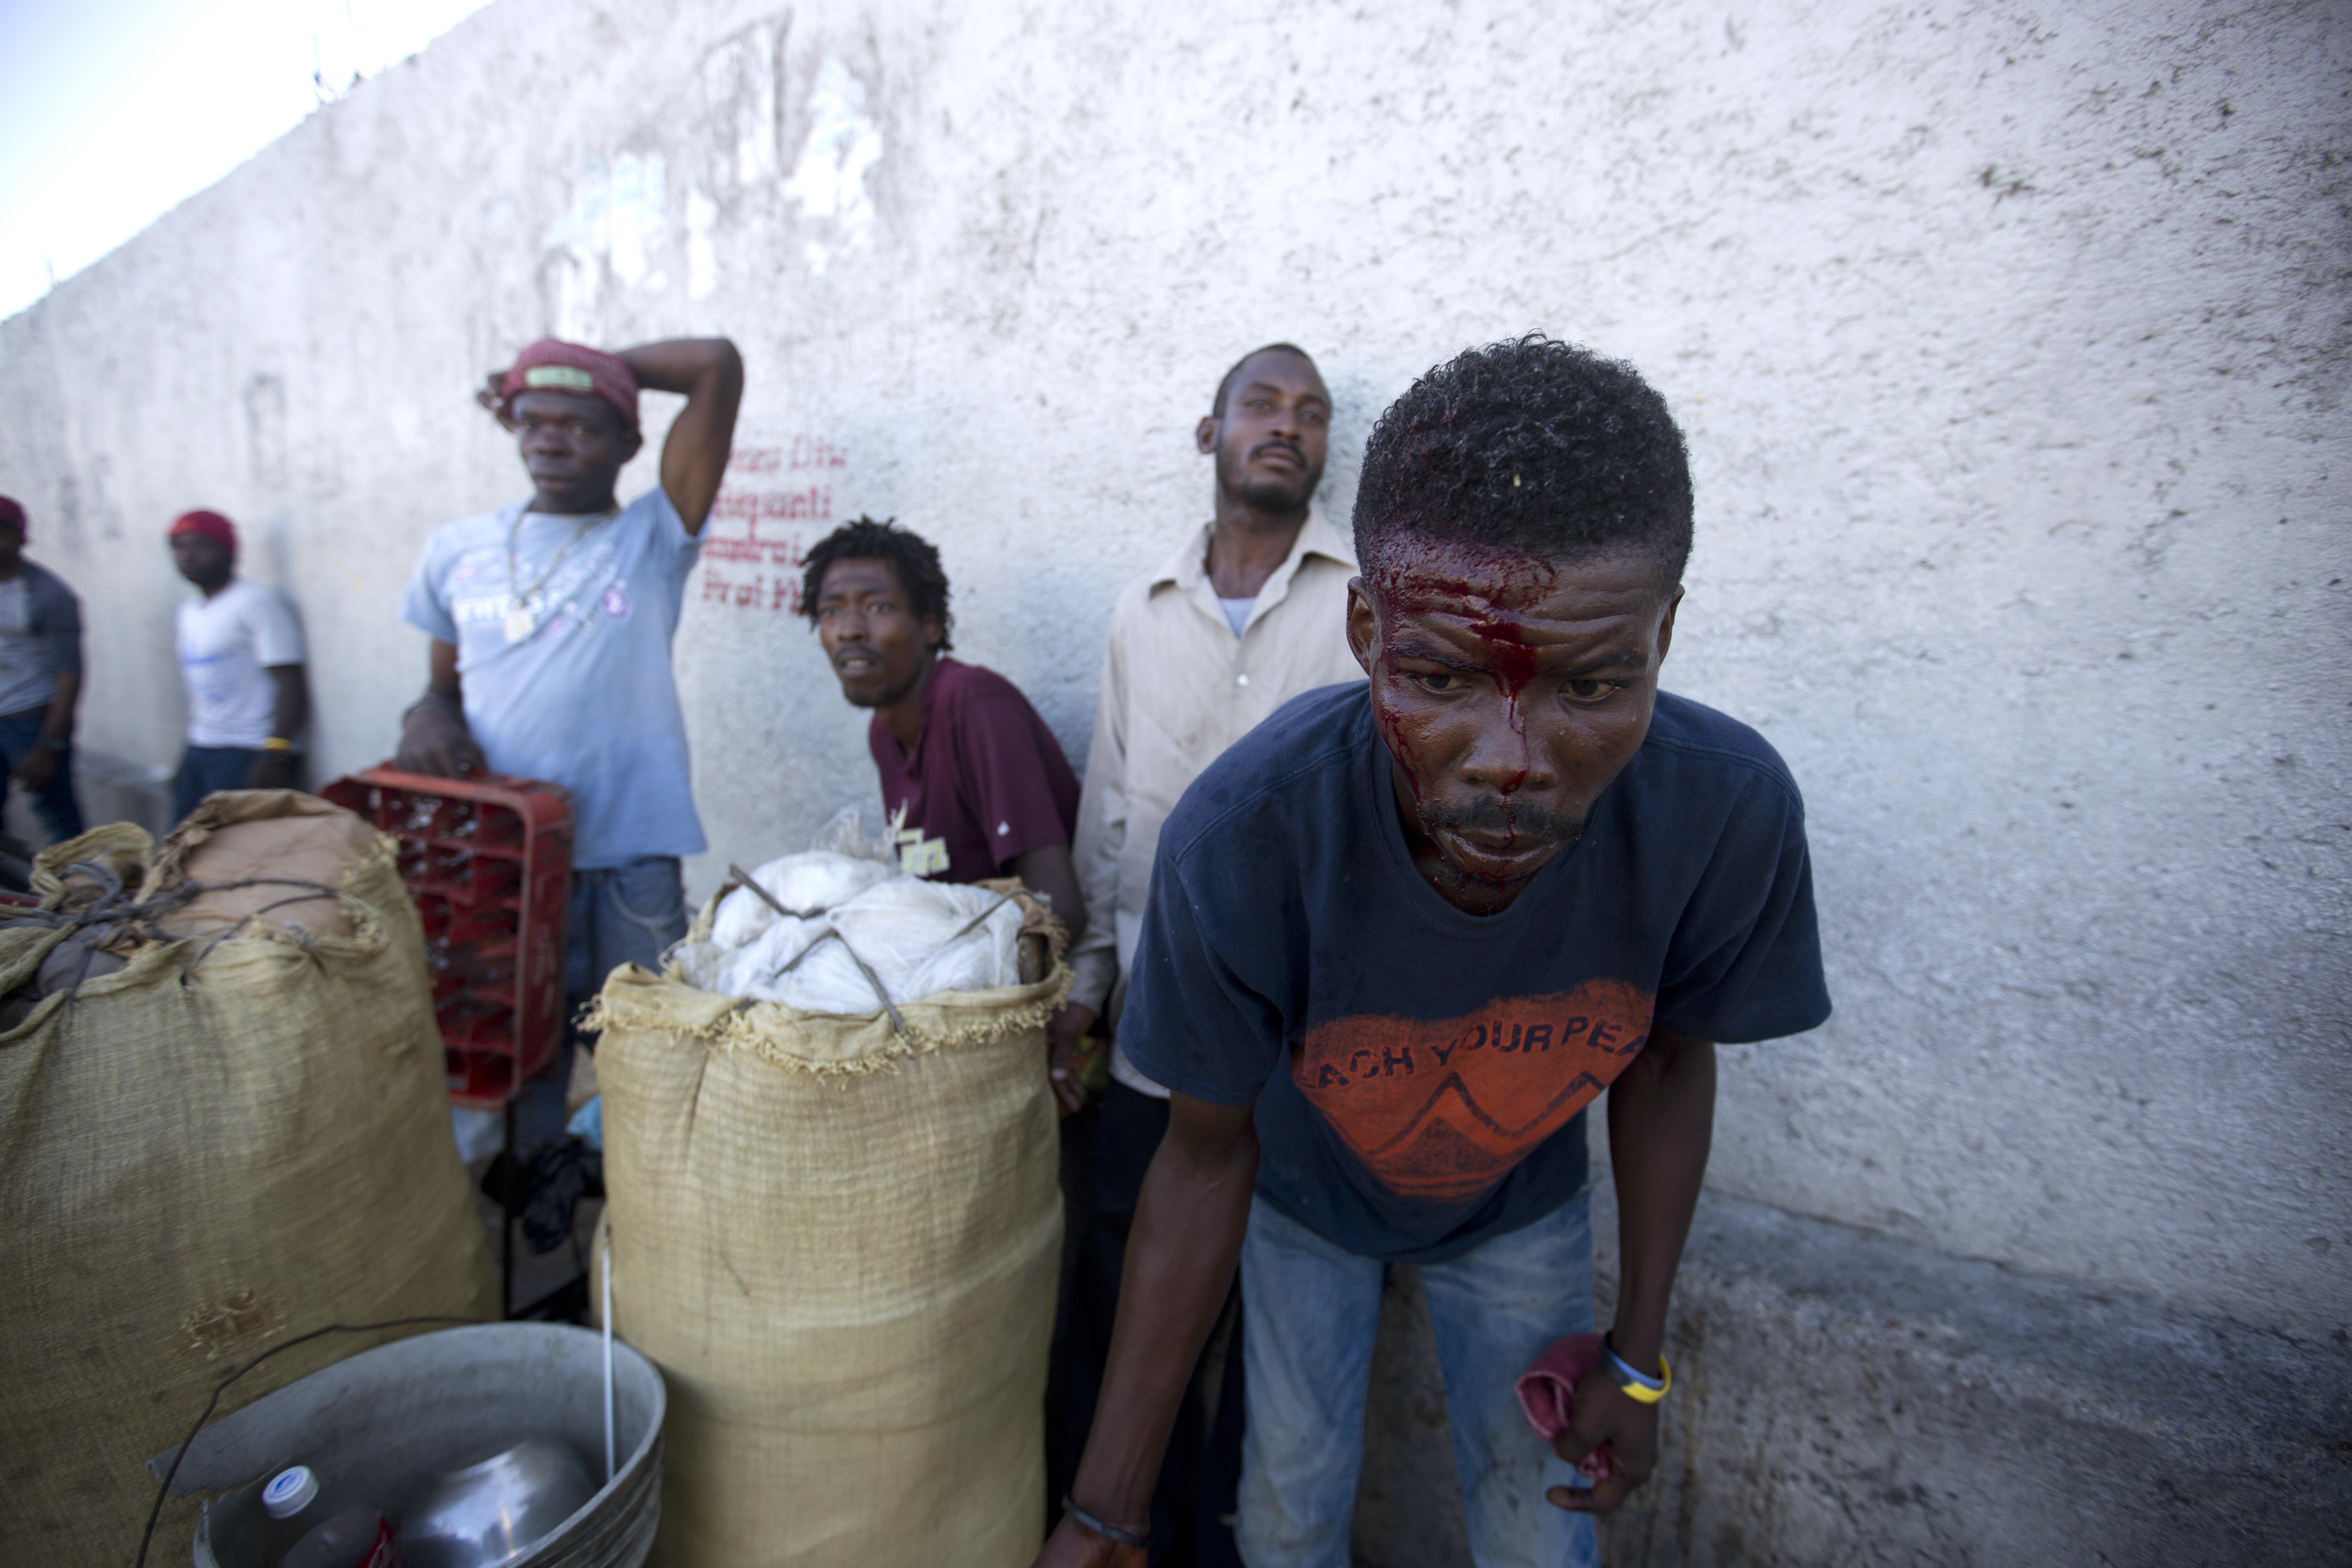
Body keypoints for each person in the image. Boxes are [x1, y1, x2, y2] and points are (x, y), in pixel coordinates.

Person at [1039, 336, 1830, 1568]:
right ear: (1364, 628)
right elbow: (1200, 1159)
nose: (1510, 755)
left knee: (1541, 1530)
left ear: (1665, 636)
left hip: (1523, 1214)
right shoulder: (1248, 837)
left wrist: (1636, 1357)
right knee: (1290, 1510)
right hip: (1301, 1208)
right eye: (1438, 673)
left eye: (1594, 682)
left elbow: (1671, 1059)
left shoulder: (1723, 814)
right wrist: (1107, 1507)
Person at [1049, 343, 1363, 1561]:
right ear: (1210, 432)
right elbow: (1111, 811)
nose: (1288, 427)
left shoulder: (1364, 602)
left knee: (1284, 1346)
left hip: (1311, 1045)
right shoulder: (1145, 608)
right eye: (1263, 406)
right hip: (1156, 1037)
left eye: (1313, 414)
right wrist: (1086, 987)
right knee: (1132, 1310)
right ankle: (1129, 1529)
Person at [396, 335, 743, 1051]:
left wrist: (580, 364)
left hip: (628, 863)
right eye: (533, 422)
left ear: (628, 443)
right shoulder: (457, 549)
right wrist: (426, 721)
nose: (551, 443)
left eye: (582, 426)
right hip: (503, 862)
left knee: (646, 1060)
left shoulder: (652, 538)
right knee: (517, 1053)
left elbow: (716, 364)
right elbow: (438, 693)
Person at [803, 516, 1088, 948]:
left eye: (878, 607)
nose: (850, 629)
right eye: (831, 611)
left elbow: (1059, 911)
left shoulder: (974, 706)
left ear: (931, 625)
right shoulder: (885, 734)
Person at [168, 508, 310, 818]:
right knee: (183, 850)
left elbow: (290, 682)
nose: (188, 556)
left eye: (201, 545)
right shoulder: (190, 611)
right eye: (180, 546)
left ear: (228, 551)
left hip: (248, 750)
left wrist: (275, 753)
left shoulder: (255, 603)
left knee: (237, 854)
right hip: (202, 745)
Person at [0, 495, 85, 844]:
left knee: (60, 825)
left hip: (31, 721)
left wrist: (49, 744)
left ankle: (84, 893)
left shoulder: (48, 594)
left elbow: (70, 673)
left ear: (22, 538)